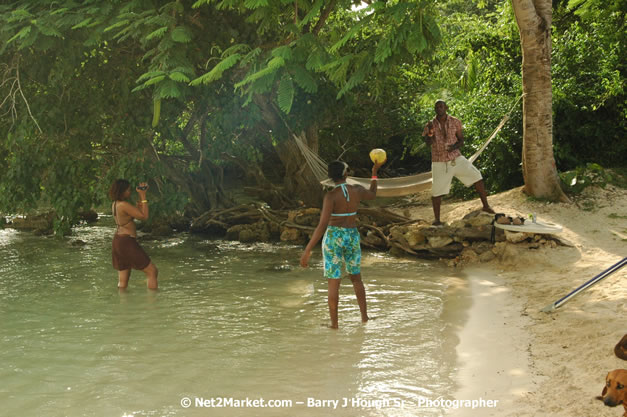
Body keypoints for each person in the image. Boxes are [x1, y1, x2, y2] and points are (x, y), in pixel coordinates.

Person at [300, 160, 383, 329]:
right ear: (346, 174)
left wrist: (307, 250)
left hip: (333, 237)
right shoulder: (357, 190)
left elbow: (322, 225)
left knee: (333, 282)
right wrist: (374, 172)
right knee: (356, 278)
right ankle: (365, 318)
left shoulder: (330, 196)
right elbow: (373, 194)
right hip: (352, 236)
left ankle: (335, 325)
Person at [422, 99, 494, 225]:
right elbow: (428, 144)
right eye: (437, 107)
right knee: (436, 192)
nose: (439, 109)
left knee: (477, 176)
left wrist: (454, 147)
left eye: (441, 106)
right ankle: (437, 220)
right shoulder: (430, 124)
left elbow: (461, 140)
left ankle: (486, 206)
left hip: (456, 158)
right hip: (439, 161)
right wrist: (429, 135)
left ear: (446, 108)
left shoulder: (455, 121)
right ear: (435, 109)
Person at [108, 179, 158, 290]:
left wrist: (140, 204)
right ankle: (154, 304)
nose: (130, 192)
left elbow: (136, 215)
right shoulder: (124, 205)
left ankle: (123, 304)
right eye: (128, 190)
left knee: (123, 281)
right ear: (122, 191)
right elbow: (144, 217)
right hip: (126, 242)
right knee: (152, 271)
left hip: (118, 241)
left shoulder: (115, 204)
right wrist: (143, 196)